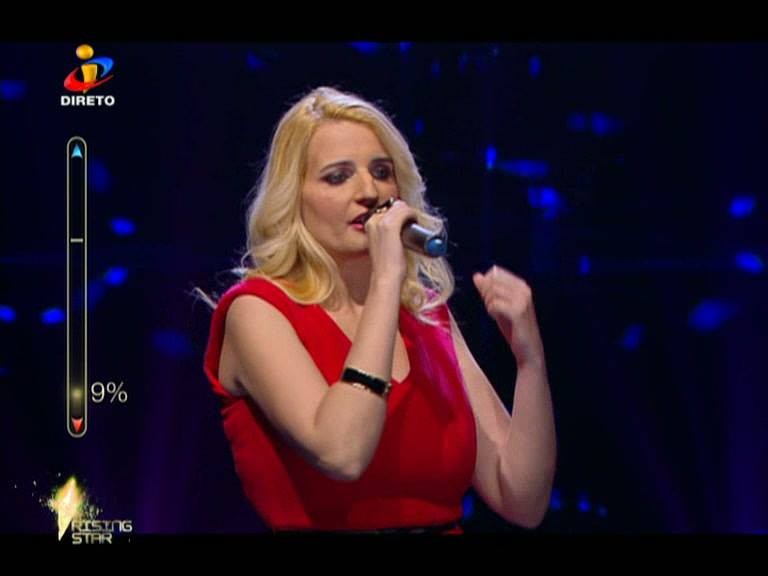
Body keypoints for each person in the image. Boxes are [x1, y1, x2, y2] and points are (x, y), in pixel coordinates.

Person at [203, 86, 556, 533]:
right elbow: (342, 452)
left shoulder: (427, 317)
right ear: (293, 199)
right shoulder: (257, 311)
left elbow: (521, 499)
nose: (369, 192)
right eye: (338, 177)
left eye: (382, 172)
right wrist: (387, 278)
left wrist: (529, 360)